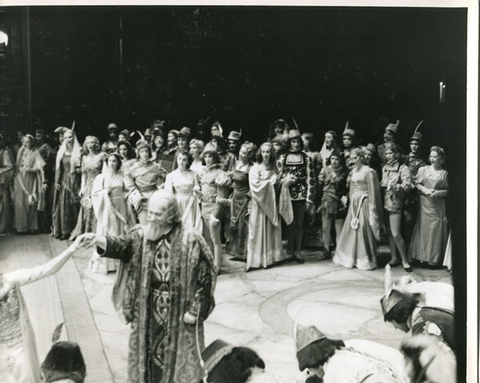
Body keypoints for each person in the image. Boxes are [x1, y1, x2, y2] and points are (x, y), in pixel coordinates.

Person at [79, 190, 217, 383]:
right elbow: (123, 245)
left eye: (157, 214)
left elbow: (205, 277)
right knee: (147, 362)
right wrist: (98, 239)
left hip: (179, 313)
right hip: (147, 311)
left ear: (171, 215)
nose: (150, 218)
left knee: (179, 366)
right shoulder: (142, 236)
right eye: (149, 212)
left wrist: (195, 310)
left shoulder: (191, 240)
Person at [0, 236, 86, 383]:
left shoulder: (10, 279)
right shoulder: (8, 285)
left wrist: (73, 248)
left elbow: (45, 270)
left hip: (21, 347)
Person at [295, 326, 409, 383]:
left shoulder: (333, 372)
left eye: (309, 368)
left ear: (314, 362)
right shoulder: (345, 351)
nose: (311, 373)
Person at [333, 148, 383, 270]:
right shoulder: (353, 172)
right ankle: (353, 257)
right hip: (354, 203)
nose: (353, 161)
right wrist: (350, 202)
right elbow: (351, 189)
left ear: (361, 157)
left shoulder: (369, 171)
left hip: (364, 202)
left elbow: (373, 190)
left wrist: (372, 206)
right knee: (353, 228)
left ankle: (366, 257)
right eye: (351, 158)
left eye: (355, 158)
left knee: (363, 228)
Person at [89, 152, 135, 276]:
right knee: (107, 231)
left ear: (118, 163)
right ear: (106, 163)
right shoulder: (101, 177)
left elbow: (130, 188)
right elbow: (95, 193)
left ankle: (118, 261)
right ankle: (106, 263)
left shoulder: (122, 176)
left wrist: (128, 197)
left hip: (120, 207)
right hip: (107, 208)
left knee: (119, 231)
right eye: (109, 161)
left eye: (114, 161)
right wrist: (105, 192)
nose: (112, 163)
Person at [246, 142, 286, 271]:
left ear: (272, 153)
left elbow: (278, 184)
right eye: (263, 152)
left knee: (270, 230)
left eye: (268, 152)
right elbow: (255, 186)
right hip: (259, 205)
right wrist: (270, 182)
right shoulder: (255, 168)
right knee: (257, 231)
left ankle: (270, 259)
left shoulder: (275, 168)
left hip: (271, 203)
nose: (265, 155)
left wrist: (281, 182)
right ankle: (256, 261)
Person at [278, 129, 315, 263]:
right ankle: (290, 251)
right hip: (287, 195)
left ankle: (298, 252)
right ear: (289, 143)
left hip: (301, 195)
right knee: (289, 223)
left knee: (299, 224)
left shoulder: (306, 158)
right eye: (293, 142)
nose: (296, 144)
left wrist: (309, 198)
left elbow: (311, 179)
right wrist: (285, 180)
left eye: (298, 141)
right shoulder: (283, 157)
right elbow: (278, 176)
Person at [408, 146, 449, 266]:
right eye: (431, 156)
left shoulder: (444, 174)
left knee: (435, 231)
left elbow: (448, 190)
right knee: (423, 229)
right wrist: (425, 190)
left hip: (437, 205)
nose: (432, 159)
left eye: (435, 156)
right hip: (424, 204)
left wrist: (438, 193)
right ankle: (420, 257)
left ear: (441, 158)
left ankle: (433, 258)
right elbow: (416, 183)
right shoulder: (423, 169)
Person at [197, 143, 231, 272]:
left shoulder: (220, 173)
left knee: (215, 239)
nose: (208, 159)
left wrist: (216, 215)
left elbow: (222, 196)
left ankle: (217, 266)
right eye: (206, 157)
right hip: (204, 207)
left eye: (210, 157)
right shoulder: (204, 172)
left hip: (214, 209)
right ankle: (209, 263)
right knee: (207, 239)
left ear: (215, 157)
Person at [381, 143, 412, 272]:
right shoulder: (385, 168)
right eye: (386, 153)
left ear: (397, 154)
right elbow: (383, 182)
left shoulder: (403, 168)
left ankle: (405, 260)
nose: (388, 156)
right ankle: (394, 258)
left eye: (390, 153)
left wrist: (395, 186)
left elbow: (407, 185)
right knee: (389, 232)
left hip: (396, 202)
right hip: (385, 201)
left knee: (396, 233)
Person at [70, 136, 106, 240]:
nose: (90, 145)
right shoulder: (84, 158)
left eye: (93, 143)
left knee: (98, 208)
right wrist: (82, 187)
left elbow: (105, 172)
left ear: (97, 144)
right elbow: (84, 174)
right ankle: (86, 232)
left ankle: (97, 232)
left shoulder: (102, 156)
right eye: (88, 143)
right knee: (87, 207)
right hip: (89, 186)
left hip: (99, 184)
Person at [124, 139, 166, 225]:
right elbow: (128, 181)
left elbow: (167, 178)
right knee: (143, 224)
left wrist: (161, 188)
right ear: (138, 154)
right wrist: (135, 192)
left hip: (154, 197)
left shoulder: (156, 166)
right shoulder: (134, 168)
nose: (144, 154)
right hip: (141, 198)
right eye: (142, 151)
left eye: (146, 151)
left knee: (155, 224)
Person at [201, 339, 280, 383]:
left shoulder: (248, 364)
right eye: (261, 370)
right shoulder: (237, 367)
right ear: (254, 367)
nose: (261, 373)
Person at [317, 150, 348, 260]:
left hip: (338, 201)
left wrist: (336, 180)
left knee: (338, 228)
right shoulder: (325, 170)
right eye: (332, 159)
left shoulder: (344, 172)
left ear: (340, 161)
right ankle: (326, 250)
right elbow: (319, 186)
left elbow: (344, 188)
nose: (334, 162)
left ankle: (339, 251)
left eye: (337, 159)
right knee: (326, 227)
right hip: (326, 200)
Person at [52, 128, 82, 240]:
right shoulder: (61, 151)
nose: (68, 140)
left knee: (75, 205)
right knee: (64, 205)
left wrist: (78, 170)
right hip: (64, 180)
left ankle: (75, 230)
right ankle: (65, 230)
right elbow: (58, 168)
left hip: (75, 180)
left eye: (70, 137)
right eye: (65, 137)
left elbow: (83, 166)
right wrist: (57, 182)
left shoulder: (79, 150)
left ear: (74, 137)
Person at [228, 142, 255, 261]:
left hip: (245, 198)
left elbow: (252, 185)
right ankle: (235, 252)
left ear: (249, 155)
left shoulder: (251, 168)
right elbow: (232, 180)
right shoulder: (236, 164)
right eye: (240, 151)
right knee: (234, 223)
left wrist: (249, 199)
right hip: (235, 196)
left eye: (244, 153)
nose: (240, 154)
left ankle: (244, 253)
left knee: (243, 225)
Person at [164, 149, 203, 232]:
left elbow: (197, 187)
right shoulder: (171, 175)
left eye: (184, 159)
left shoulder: (194, 174)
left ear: (188, 161)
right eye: (179, 159)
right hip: (177, 202)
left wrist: (196, 191)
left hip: (191, 202)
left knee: (190, 226)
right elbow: (168, 193)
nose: (181, 162)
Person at [13, 134, 46, 234]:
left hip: (30, 178)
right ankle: (21, 227)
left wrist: (30, 169)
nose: (25, 144)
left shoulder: (35, 152)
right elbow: (17, 166)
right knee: (19, 202)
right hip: (20, 179)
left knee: (30, 202)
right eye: (23, 142)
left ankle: (32, 227)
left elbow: (41, 168)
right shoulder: (20, 151)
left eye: (27, 142)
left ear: (32, 142)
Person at [403, 130, 426, 247]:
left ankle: (410, 249)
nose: (414, 147)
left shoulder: (422, 162)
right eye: (412, 144)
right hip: (401, 192)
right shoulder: (405, 158)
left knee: (409, 221)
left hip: (413, 195)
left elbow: (421, 180)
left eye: (416, 144)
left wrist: (414, 182)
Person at [35, 129, 56, 233]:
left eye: (39, 136)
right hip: (36, 176)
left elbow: (49, 164)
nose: (37, 138)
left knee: (45, 201)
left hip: (44, 176)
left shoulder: (46, 148)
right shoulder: (35, 147)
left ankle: (46, 226)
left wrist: (46, 179)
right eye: (36, 136)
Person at [0, 133, 14, 234]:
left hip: (2, 181)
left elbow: (9, 167)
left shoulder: (5, 152)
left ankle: (2, 227)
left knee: (3, 205)